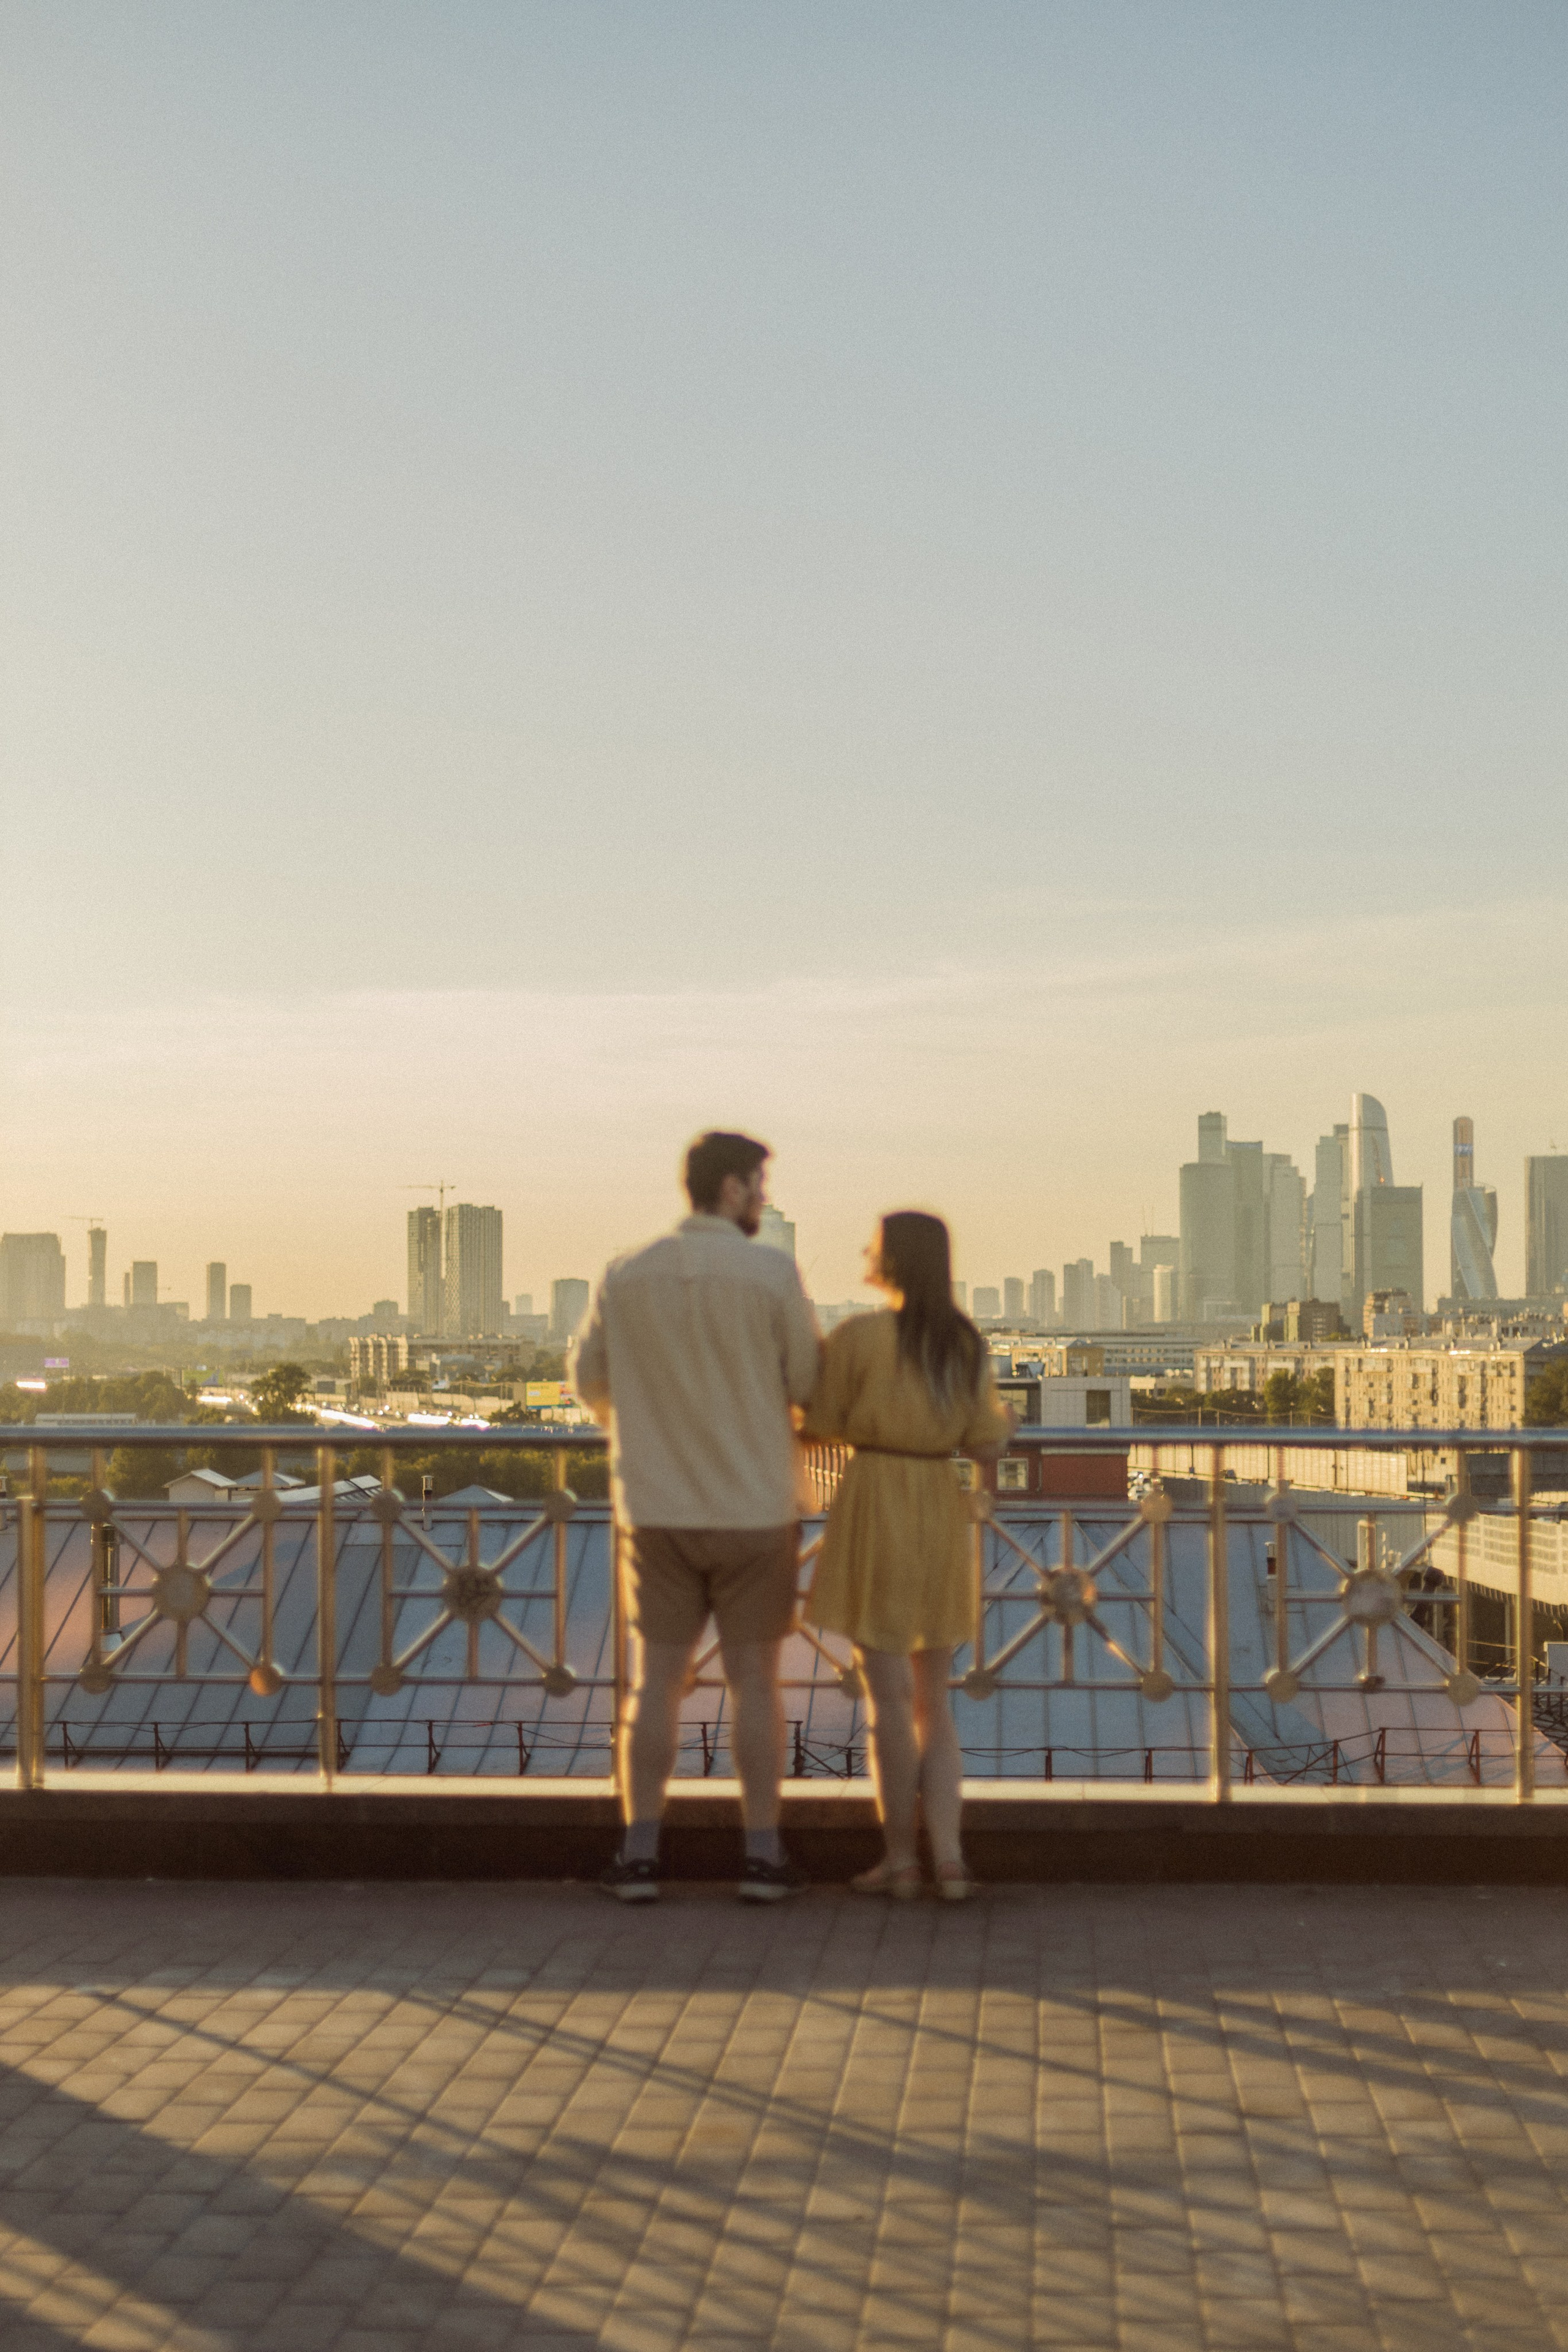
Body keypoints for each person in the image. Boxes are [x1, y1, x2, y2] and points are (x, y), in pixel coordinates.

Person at [571, 1130, 822, 1904]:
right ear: (733, 1189)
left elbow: (587, 1382)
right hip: (753, 1508)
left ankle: (640, 1855)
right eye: (759, 1183)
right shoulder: (771, 1272)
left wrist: (644, 1427)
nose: (766, 1197)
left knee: (653, 1684)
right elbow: (808, 1381)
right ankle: (761, 1857)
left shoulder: (626, 1271)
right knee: (755, 1683)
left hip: (655, 1508)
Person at [801, 1210, 1011, 1901]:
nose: (864, 1251)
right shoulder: (962, 1342)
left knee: (887, 1701)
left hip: (874, 1500)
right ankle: (949, 1858)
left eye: (874, 1244)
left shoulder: (859, 1336)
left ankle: (899, 1861)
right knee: (934, 1701)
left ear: (892, 1261)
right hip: (937, 1506)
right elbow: (984, 1442)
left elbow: (822, 1424)